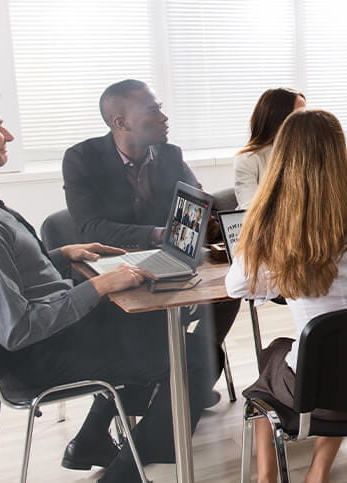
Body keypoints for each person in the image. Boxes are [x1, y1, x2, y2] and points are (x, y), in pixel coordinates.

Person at [0, 85, 214, 483]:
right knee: (193, 357)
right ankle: (124, 474)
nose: (9, 136)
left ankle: (92, 439)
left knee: (168, 327)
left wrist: (59, 255)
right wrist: (101, 286)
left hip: (44, 340)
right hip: (41, 355)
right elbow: (17, 328)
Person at [226, 109, 347, 483]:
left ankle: (266, 476)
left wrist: (281, 273)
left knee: (273, 357)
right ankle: (318, 471)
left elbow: (236, 287)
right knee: (343, 351)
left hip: (321, 393)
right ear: (341, 155)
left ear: (282, 161)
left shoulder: (272, 228)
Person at [62, 79, 239, 390]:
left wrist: (206, 218)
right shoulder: (81, 159)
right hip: (113, 271)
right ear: (121, 122)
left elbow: (195, 198)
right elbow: (91, 228)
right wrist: (159, 234)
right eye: (152, 110)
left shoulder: (169, 155)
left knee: (230, 292)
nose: (164, 117)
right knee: (144, 318)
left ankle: (186, 379)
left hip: (167, 262)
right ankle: (166, 382)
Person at [235, 88, 306, 209]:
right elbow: (250, 209)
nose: (306, 122)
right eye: (299, 116)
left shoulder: (306, 152)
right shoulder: (248, 159)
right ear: (277, 120)